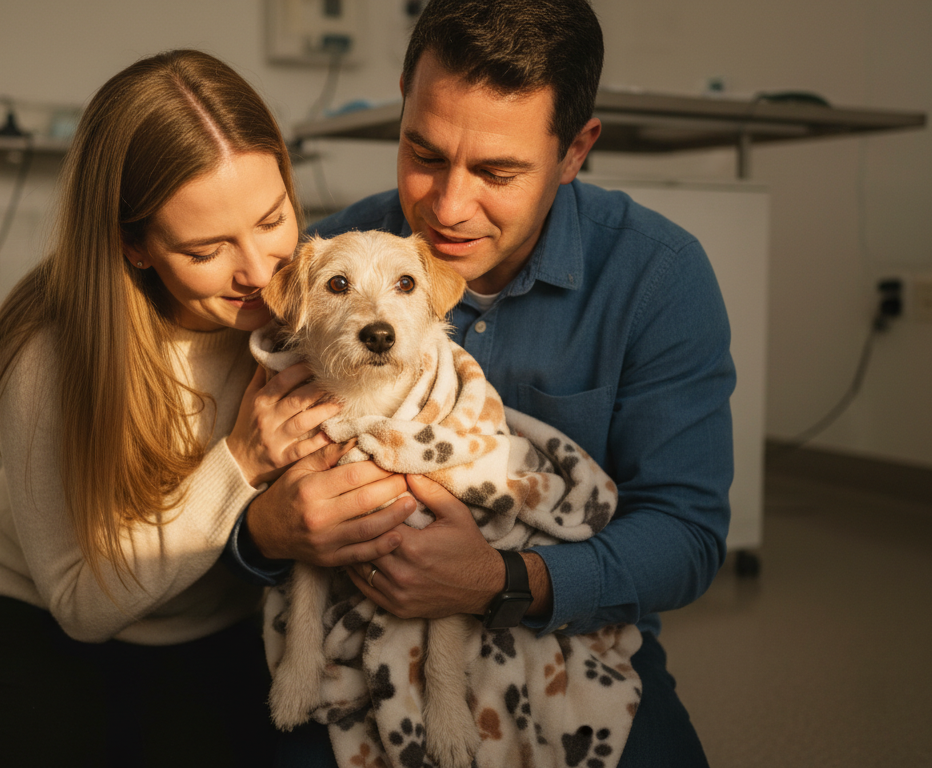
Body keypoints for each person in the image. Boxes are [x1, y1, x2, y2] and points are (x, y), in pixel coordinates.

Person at [0, 50, 416, 768]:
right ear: (135, 245)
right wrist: (242, 460)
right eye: (206, 248)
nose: (258, 273)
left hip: (213, 626)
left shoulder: (317, 298)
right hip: (38, 623)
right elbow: (81, 605)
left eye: (271, 218)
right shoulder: (49, 354)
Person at [229, 1, 735, 765]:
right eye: (424, 153)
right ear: (403, 98)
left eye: (498, 172)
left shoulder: (658, 277)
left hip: (568, 623)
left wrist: (502, 580)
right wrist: (265, 527)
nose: (447, 207)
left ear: (575, 150)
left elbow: (688, 536)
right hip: (343, 626)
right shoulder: (339, 264)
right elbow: (230, 493)